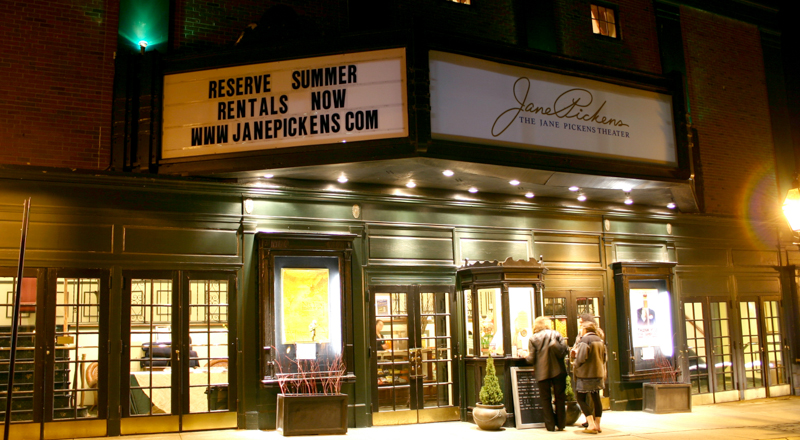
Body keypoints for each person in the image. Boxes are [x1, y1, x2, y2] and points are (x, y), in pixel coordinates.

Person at [526, 316, 569, 432]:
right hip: (559, 371)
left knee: (545, 399)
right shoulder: (557, 334)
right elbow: (565, 351)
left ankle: (550, 426)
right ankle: (561, 424)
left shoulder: (533, 339)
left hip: (542, 372)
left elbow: (531, 359)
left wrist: (523, 355)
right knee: (560, 397)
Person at [573, 320, 607, 434]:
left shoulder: (585, 340)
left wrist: (575, 362)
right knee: (596, 398)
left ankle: (591, 423)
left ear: (585, 329)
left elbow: (582, 358)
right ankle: (597, 425)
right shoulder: (600, 340)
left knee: (581, 398)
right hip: (598, 374)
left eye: (582, 328)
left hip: (585, 375)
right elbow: (604, 358)